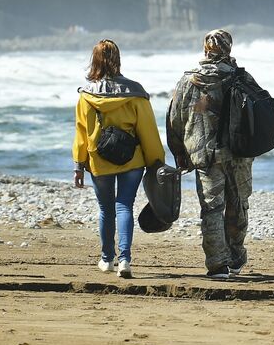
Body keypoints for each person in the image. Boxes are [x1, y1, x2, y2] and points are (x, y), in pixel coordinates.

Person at [166, 29, 257, 280]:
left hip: (203, 154)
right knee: (238, 204)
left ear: (206, 49)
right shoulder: (242, 78)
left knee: (211, 208)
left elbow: (175, 119)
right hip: (238, 154)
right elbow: (257, 115)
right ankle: (236, 258)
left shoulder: (188, 81)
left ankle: (217, 265)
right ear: (229, 48)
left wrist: (179, 153)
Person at [72, 39, 165, 279]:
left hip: (99, 161)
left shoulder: (86, 96)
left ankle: (107, 259)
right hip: (131, 160)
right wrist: (156, 161)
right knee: (124, 205)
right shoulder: (136, 93)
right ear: (118, 60)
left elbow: (81, 133)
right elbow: (148, 131)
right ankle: (125, 259)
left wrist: (78, 166)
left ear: (95, 61)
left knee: (106, 208)